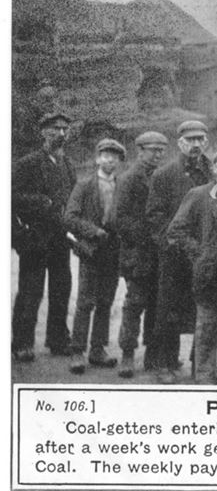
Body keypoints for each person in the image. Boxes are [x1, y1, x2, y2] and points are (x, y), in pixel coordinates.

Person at [166, 149, 217, 384]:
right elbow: (176, 230)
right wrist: (199, 253)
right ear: (213, 169)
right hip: (208, 272)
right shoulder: (198, 195)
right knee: (206, 326)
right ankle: (204, 375)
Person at [146, 120, 213, 384]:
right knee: (168, 310)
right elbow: (154, 216)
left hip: (203, 254)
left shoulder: (213, 172)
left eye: (200, 139)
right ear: (180, 143)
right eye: (191, 140)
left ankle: (201, 364)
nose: (196, 144)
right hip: (174, 256)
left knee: (204, 310)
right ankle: (165, 363)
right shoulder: (164, 175)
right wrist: (172, 243)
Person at [12, 112, 77, 361]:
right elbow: (11, 198)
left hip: (60, 239)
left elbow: (73, 200)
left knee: (61, 290)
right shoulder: (27, 163)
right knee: (31, 292)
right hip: (34, 240)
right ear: (43, 132)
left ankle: (58, 340)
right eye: (55, 129)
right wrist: (42, 203)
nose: (61, 134)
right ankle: (22, 343)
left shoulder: (67, 165)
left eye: (65, 129)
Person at [65, 138, 127, 374]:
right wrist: (93, 231)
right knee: (85, 302)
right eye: (105, 155)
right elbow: (70, 217)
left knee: (105, 302)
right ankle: (77, 351)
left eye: (114, 156)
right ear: (97, 158)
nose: (109, 159)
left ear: (120, 161)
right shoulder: (84, 185)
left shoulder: (123, 185)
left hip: (113, 252)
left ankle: (98, 350)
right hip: (91, 251)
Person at [113, 130, 168, 377]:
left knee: (157, 307)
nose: (157, 155)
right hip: (137, 254)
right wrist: (146, 236)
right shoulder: (128, 179)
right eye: (152, 150)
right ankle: (127, 354)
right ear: (140, 151)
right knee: (134, 305)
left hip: (159, 255)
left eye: (161, 150)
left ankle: (152, 355)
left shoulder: (163, 178)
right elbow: (119, 219)